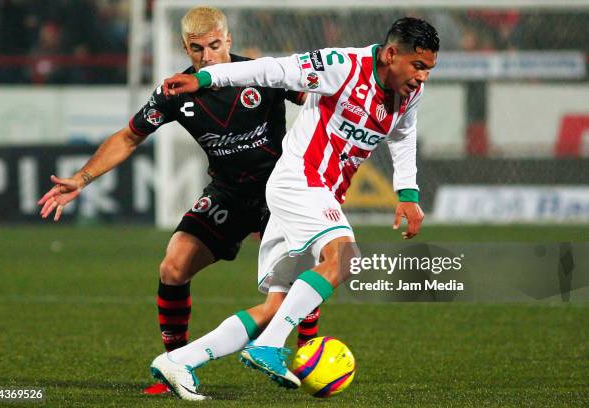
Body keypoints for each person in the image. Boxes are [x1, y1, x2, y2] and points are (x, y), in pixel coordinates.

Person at [36, 5, 320, 395]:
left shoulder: (263, 74)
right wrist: (82, 179)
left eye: (215, 46)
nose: (207, 57)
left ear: (229, 40)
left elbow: (318, 97)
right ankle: (175, 366)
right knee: (173, 266)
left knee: (296, 276)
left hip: (279, 192)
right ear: (184, 47)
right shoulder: (174, 91)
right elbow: (128, 137)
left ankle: (309, 357)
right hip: (228, 194)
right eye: (197, 49)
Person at [150, 16, 438, 400]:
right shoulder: (342, 66)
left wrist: (408, 193)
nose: (422, 77)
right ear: (390, 54)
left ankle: (180, 360)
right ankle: (269, 346)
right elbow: (273, 69)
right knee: (346, 258)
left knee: (276, 307)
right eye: (418, 66)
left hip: (323, 193)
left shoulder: (408, 92)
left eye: (429, 69)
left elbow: (403, 133)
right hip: (300, 180)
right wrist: (205, 79)